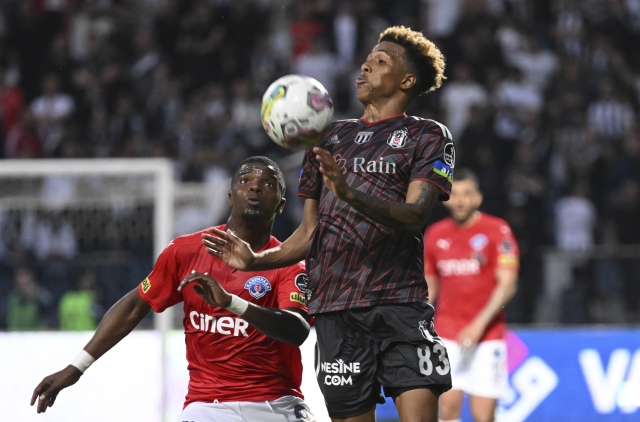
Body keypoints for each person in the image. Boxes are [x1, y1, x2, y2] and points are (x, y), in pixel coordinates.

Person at [203, 26, 453, 422]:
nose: (365, 66)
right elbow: (309, 233)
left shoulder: (427, 135)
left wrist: (350, 194)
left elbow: (414, 216)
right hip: (337, 312)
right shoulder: (327, 138)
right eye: (367, 59)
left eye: (381, 61)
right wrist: (255, 261)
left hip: (399, 305)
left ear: (407, 81)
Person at [30, 156, 316, 422]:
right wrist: (77, 367)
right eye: (245, 180)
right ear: (230, 197)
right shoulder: (185, 251)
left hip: (275, 404)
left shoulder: (289, 264)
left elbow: (298, 329)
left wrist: (232, 304)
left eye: (268, 184)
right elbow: (134, 305)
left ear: (280, 204)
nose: (255, 186)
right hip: (207, 407)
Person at [424, 169, 519, 422]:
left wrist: (478, 325)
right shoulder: (435, 234)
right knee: (447, 411)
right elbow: (429, 286)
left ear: (478, 198)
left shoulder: (497, 230)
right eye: (454, 194)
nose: (460, 200)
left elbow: (508, 285)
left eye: (466, 194)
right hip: (446, 335)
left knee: (483, 415)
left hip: (487, 336)